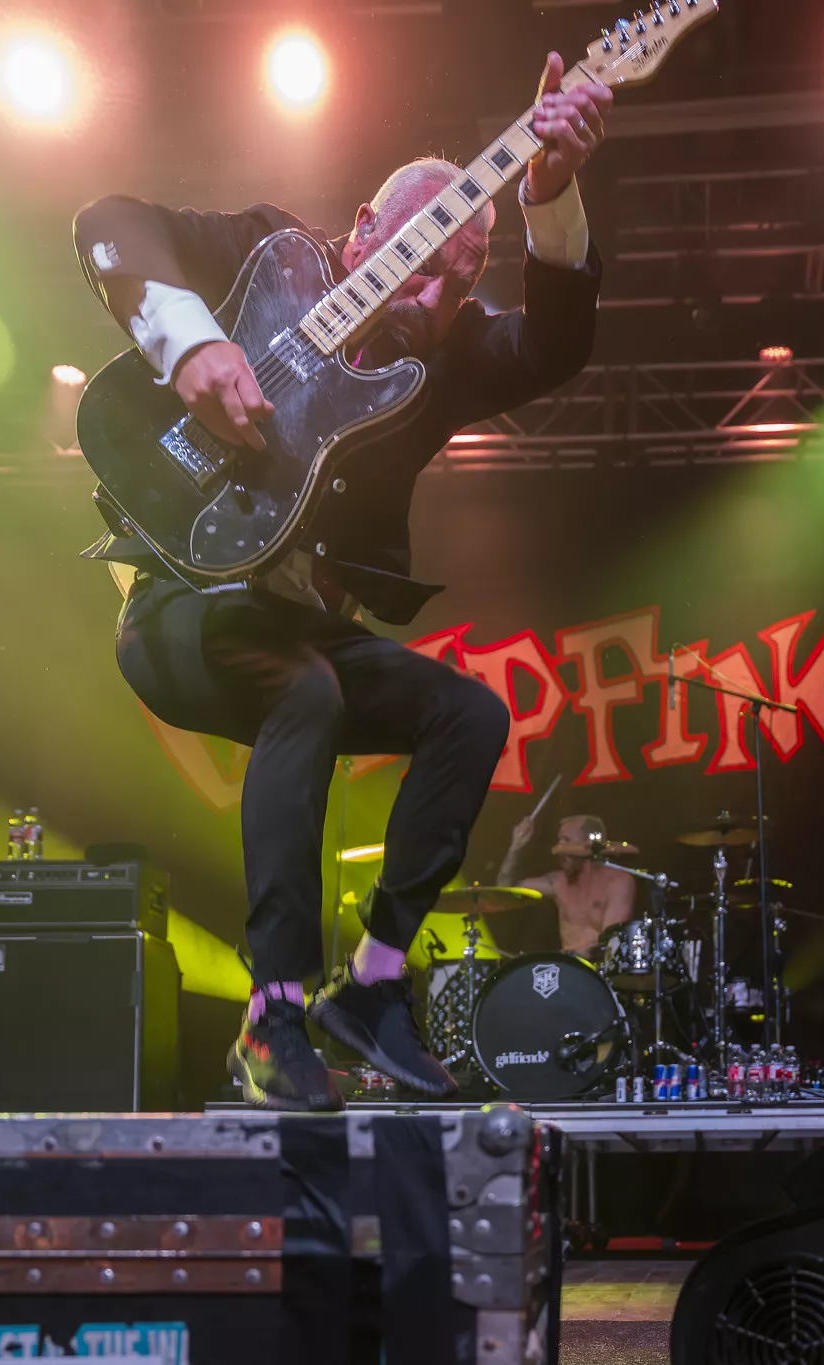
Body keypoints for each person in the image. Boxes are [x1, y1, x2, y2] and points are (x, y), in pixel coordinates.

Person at [73, 54, 611, 1110]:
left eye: (460, 278)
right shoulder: (267, 256)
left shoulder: (437, 361)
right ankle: (271, 1013)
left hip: (302, 631)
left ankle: (366, 988)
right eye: (419, 264)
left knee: (467, 713)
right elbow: (109, 222)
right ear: (363, 228)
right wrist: (191, 347)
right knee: (304, 690)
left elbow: (556, 340)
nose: (434, 294)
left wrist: (549, 189)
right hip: (180, 603)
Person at [495, 813, 636, 955]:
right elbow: (504, 888)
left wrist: (567, 957)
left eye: (566, 840)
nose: (559, 848)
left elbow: (611, 945)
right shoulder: (558, 883)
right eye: (559, 841)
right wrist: (515, 849)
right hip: (568, 971)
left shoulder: (618, 882)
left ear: (588, 844)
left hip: (598, 973)